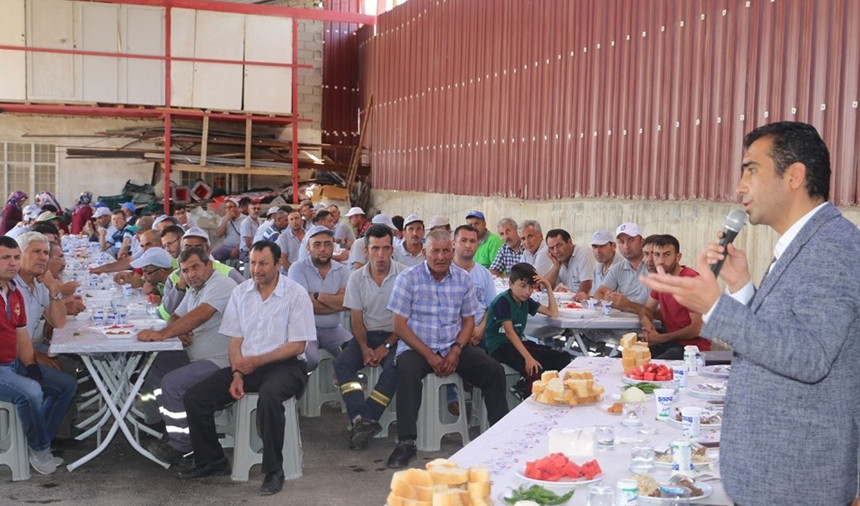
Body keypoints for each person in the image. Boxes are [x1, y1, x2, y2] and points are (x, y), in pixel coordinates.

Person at [639, 121, 860, 505]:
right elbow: (781, 335)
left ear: (794, 176)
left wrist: (714, 307)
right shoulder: (804, 242)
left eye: (751, 171)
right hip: (772, 473)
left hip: (796, 479)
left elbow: (811, 356)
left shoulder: (832, 245)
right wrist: (741, 288)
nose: (740, 188)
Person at [181, 241, 316, 497]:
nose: (256, 269)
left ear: (278, 264)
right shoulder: (241, 293)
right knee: (195, 397)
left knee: (270, 396)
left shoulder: (295, 294)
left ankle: (274, 471)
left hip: (286, 365)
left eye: (263, 263)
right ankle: (212, 461)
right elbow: (235, 340)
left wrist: (256, 362)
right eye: (253, 263)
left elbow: (297, 345)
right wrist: (237, 373)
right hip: (247, 366)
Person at [385, 229, 508, 469]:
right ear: (424, 252)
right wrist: (429, 355)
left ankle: (499, 437)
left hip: (453, 345)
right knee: (407, 373)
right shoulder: (408, 278)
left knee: (493, 371)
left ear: (452, 251)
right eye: (435, 251)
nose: (440, 257)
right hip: (417, 346)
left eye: (445, 251)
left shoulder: (463, 278)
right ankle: (406, 442)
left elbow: (468, 320)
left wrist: (456, 349)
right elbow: (399, 326)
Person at [138, 247, 238, 465]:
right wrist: (178, 330)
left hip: (221, 362)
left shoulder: (221, 284)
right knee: (157, 364)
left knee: (172, 383)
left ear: (208, 265)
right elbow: (174, 317)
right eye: (185, 270)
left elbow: (200, 315)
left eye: (195, 267)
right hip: (194, 357)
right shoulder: (195, 289)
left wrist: (164, 334)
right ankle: (171, 426)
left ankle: (183, 447)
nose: (191, 274)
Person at [0, 235, 71, 474]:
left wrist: (31, 366)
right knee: (31, 390)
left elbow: (27, 334)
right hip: (6, 363)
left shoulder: (19, 291)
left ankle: (39, 443)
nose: (12, 263)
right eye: (6, 258)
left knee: (65, 386)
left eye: (15, 257)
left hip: (15, 360)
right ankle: (40, 449)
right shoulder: (13, 286)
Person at [334, 224, 404, 450]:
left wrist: (387, 345)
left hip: (396, 336)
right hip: (366, 334)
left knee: (396, 365)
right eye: (375, 249)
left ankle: (367, 418)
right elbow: (356, 319)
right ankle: (358, 418)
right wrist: (364, 348)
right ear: (366, 251)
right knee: (342, 363)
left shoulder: (404, 276)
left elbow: (406, 320)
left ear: (392, 250)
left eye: (386, 248)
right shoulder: (356, 278)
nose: (381, 254)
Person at [483, 263, 569, 396]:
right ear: (511, 284)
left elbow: (553, 313)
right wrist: (529, 358)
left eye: (531, 287)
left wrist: (547, 286)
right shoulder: (502, 301)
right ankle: (525, 390)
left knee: (562, 358)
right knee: (534, 367)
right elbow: (510, 333)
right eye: (523, 286)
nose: (528, 291)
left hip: (518, 343)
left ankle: (530, 386)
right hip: (499, 346)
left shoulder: (526, 301)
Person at [288, 226, 352, 368]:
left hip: (333, 328)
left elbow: (347, 303)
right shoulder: (297, 268)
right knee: (308, 360)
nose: (323, 249)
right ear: (308, 248)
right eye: (317, 245)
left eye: (327, 244)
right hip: (305, 330)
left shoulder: (343, 270)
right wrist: (336, 302)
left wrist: (317, 296)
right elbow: (304, 306)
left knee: (355, 354)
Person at [637, 234, 707, 360]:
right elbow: (646, 310)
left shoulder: (690, 280)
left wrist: (661, 338)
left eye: (667, 254)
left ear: (678, 257)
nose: (661, 260)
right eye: (657, 255)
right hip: (669, 342)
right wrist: (647, 325)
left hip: (693, 348)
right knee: (625, 355)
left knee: (654, 365)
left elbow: (696, 329)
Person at [594, 223, 650, 314]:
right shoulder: (617, 268)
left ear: (642, 241)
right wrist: (608, 298)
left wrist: (628, 305)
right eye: (621, 242)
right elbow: (599, 293)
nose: (626, 246)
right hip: (622, 321)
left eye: (631, 240)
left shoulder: (653, 266)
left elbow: (662, 313)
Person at [545, 228, 594, 295]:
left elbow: (587, 283)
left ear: (570, 242)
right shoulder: (558, 260)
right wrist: (556, 267)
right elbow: (544, 288)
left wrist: (575, 299)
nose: (556, 251)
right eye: (551, 248)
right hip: (569, 299)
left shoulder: (583, 252)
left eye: (559, 245)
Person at [584, 230, 622, 300]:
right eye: (594, 246)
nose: (597, 251)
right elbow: (596, 296)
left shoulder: (623, 267)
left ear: (613, 246)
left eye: (602, 246)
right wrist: (588, 297)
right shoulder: (597, 268)